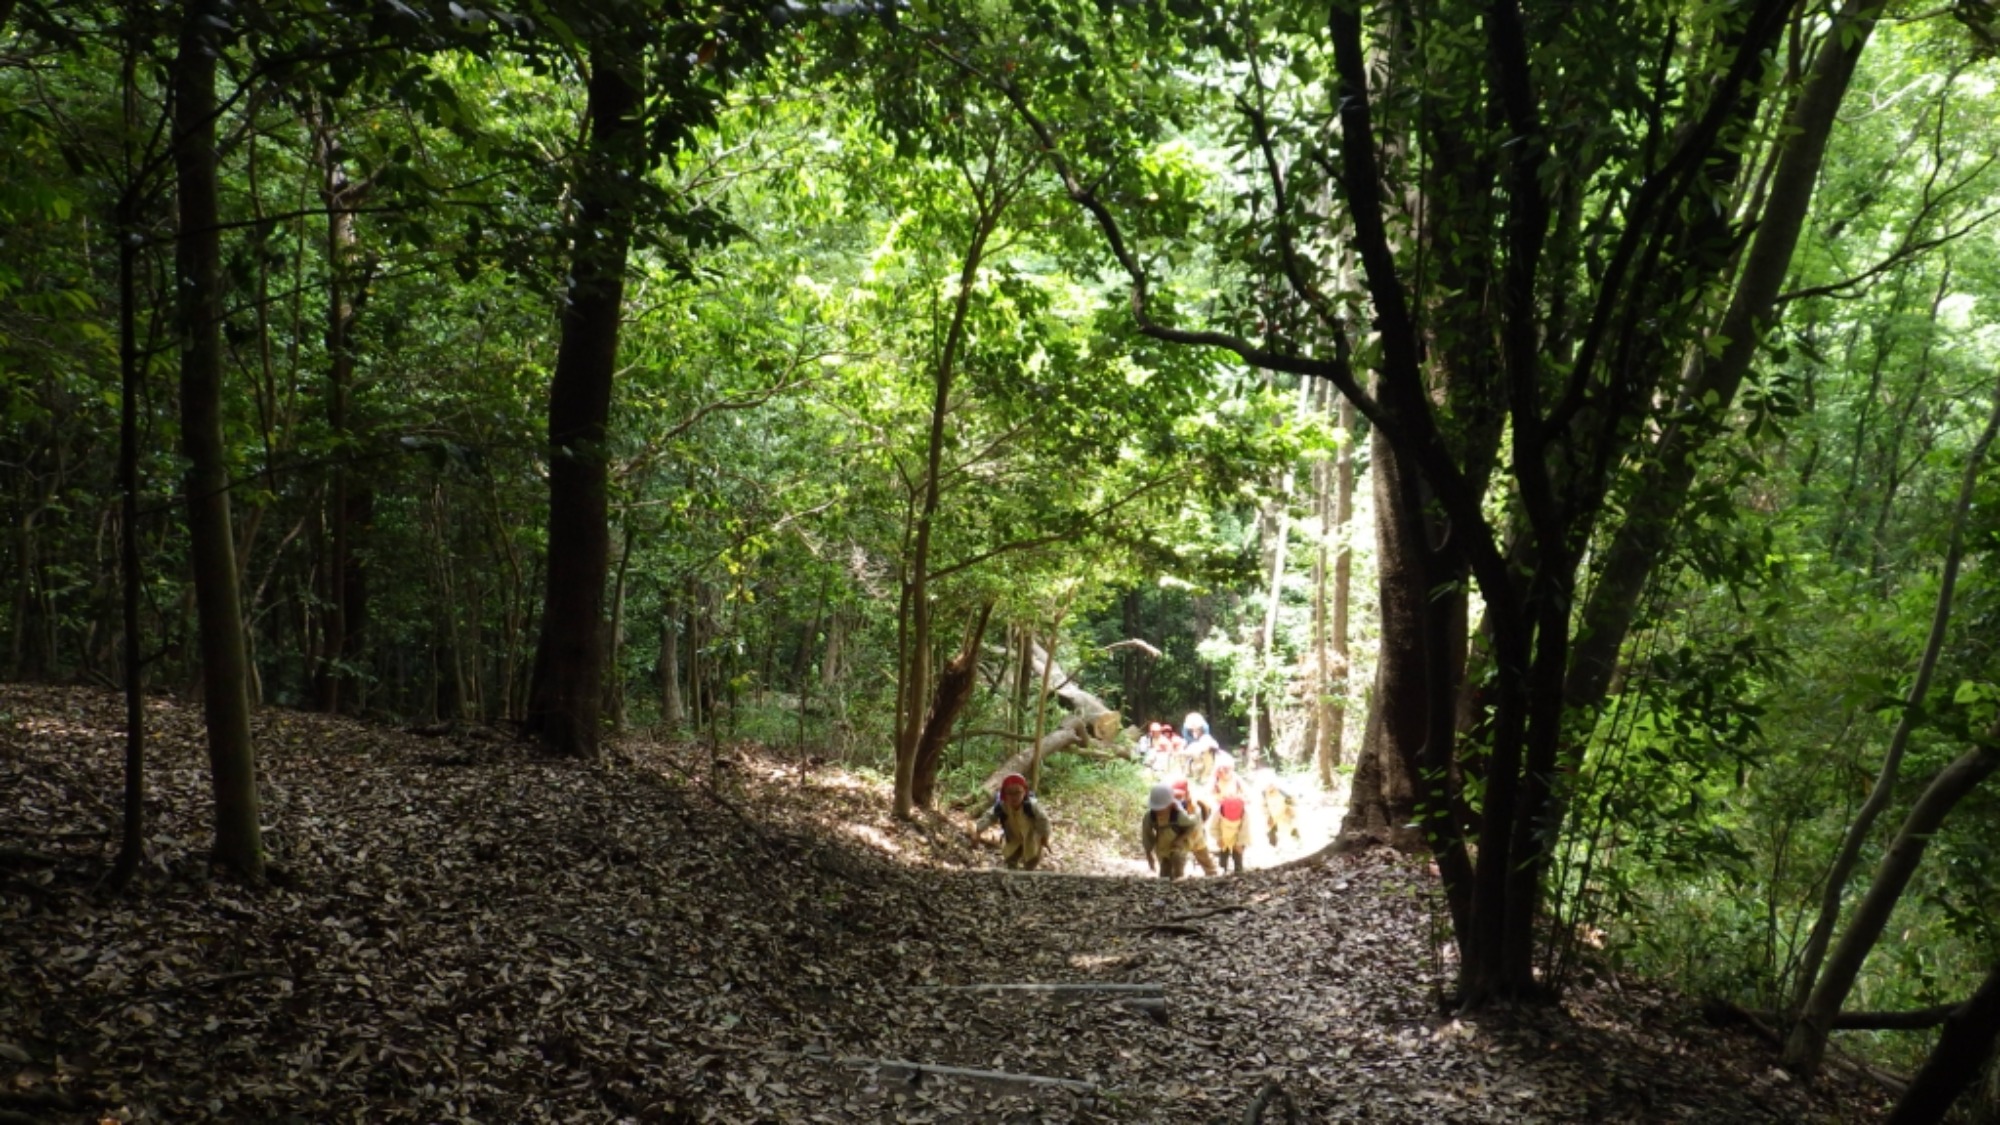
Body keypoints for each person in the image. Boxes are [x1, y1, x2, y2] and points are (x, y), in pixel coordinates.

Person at [970, 773, 1052, 870]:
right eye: (1010, 793)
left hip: (1031, 838)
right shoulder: (1002, 807)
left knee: (1031, 859)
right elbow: (989, 816)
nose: (1014, 797)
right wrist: (978, 830)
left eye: (1017, 792)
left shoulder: (1031, 806)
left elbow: (1043, 820)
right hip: (1013, 837)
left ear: (1024, 792)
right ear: (1004, 794)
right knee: (1010, 858)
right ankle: (1012, 873)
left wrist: (1045, 838)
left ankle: (1028, 873)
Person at [1141, 782, 1202, 879]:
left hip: (1178, 846)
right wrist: (1149, 853)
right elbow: (1147, 834)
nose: (1158, 811)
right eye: (1156, 808)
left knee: (1177, 862)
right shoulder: (1150, 816)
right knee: (1165, 874)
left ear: (1170, 805)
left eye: (1161, 808)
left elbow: (1192, 824)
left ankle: (1179, 880)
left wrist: (1181, 839)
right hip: (1163, 848)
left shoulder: (1178, 815)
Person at [1171, 778, 1220, 876]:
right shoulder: (1171, 805)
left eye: (1180, 795)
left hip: (1196, 837)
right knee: (1178, 865)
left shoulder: (1195, 806)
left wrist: (1181, 838)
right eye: (1175, 795)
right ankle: (1176, 879)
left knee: (1207, 863)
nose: (1178, 797)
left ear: (1187, 793)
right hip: (1180, 839)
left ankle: (1214, 878)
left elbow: (1196, 824)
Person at [1209, 760, 1250, 874]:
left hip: (1237, 810)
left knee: (1238, 848)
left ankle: (1238, 868)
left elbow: (1247, 793)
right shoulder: (1215, 781)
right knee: (1224, 849)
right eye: (1221, 770)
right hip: (1222, 813)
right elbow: (1209, 794)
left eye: (1226, 770)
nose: (1223, 773)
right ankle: (1223, 868)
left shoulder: (1236, 780)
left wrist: (1239, 800)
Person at [1183, 712, 1223, 788]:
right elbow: (1184, 753)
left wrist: (1206, 747)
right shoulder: (1188, 742)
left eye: (1197, 730)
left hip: (1206, 773)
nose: (1194, 732)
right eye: (1192, 730)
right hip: (1194, 773)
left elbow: (1215, 746)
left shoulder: (1206, 738)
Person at [1262, 777, 1300, 847]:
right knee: (1271, 831)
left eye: (1271, 785)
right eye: (1268, 786)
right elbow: (1263, 807)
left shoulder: (1281, 791)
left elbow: (1292, 800)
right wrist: (1268, 816)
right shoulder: (1264, 795)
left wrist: (1290, 808)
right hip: (1273, 816)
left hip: (1284, 813)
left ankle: (1297, 841)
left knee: (1291, 827)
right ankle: (1274, 847)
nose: (1270, 787)